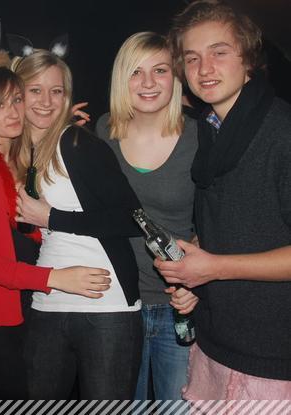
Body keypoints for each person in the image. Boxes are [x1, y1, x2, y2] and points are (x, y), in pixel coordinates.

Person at [155, 0, 291, 400]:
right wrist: (194, 267)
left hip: (272, 354)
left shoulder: (282, 134)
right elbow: (242, 225)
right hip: (217, 340)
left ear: (247, 57)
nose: (204, 69)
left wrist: (213, 268)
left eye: (219, 52)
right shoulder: (212, 131)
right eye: (192, 58)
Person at [13, 49, 143, 399]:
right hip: (47, 299)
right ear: (17, 94)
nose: (46, 101)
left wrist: (51, 217)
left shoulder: (77, 143)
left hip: (104, 303)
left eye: (56, 91)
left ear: (67, 96)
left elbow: (132, 217)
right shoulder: (19, 150)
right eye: (35, 90)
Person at [95, 32, 198, 400]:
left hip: (178, 306)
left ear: (176, 77)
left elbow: (218, 218)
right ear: (121, 80)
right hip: (117, 303)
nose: (148, 82)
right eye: (135, 72)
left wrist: (200, 283)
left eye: (160, 70)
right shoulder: (103, 132)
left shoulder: (200, 137)